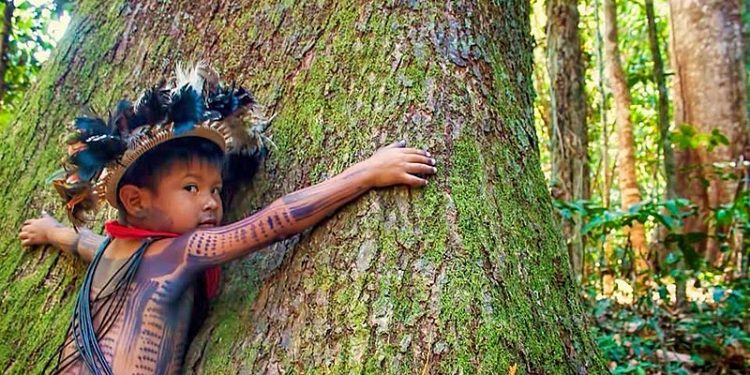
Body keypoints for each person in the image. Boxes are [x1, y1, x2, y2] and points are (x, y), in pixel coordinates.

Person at [17, 64, 437, 374]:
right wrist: (365, 173)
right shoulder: (179, 251)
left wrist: (52, 231)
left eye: (216, 189)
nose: (212, 202)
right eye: (191, 188)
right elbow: (277, 220)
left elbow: (82, 243)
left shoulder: (120, 254)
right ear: (135, 200)